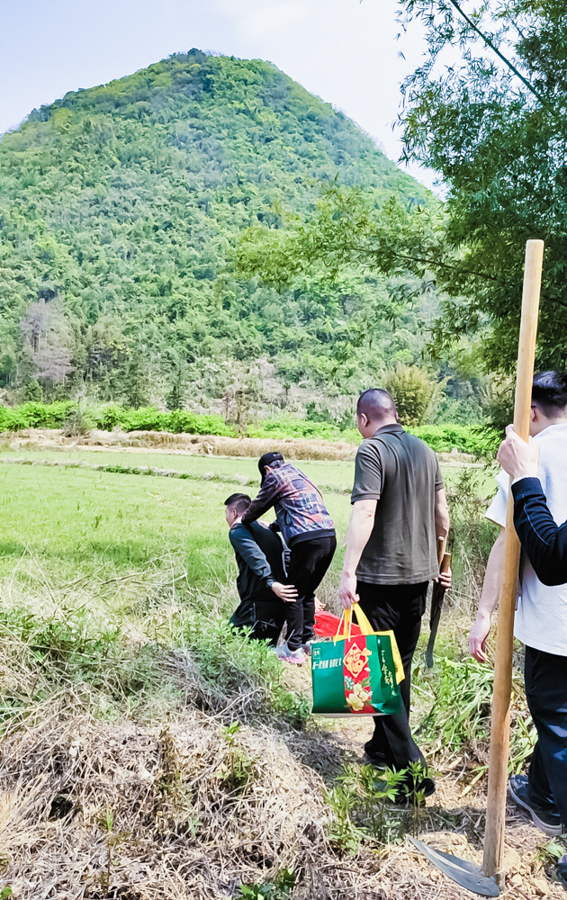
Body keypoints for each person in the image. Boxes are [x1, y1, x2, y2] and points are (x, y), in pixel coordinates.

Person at [469, 373, 567, 889]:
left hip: (556, 631)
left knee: (559, 729)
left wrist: (484, 614)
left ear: (531, 410)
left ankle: (556, 814)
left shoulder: (532, 458)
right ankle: (544, 800)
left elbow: (513, 544)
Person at [339, 388, 450, 800]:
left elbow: (364, 511)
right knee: (397, 668)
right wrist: (439, 565)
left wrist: (348, 572)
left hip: (379, 582)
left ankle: (412, 773)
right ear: (396, 413)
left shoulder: (371, 451)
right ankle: (382, 747)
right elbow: (443, 517)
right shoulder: (426, 452)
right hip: (419, 581)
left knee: (376, 679)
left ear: (364, 419)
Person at [242, 452, 336, 665]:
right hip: (328, 537)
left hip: (307, 542)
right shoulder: (298, 473)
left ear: (266, 470)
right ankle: (305, 640)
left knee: (291, 592)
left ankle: (292, 649)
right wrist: (274, 527)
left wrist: (244, 520)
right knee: (306, 592)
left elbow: (257, 506)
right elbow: (299, 510)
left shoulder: (275, 476)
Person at [225, 493, 296, 645]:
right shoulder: (268, 530)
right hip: (279, 602)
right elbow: (288, 557)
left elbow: (254, 556)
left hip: (258, 602)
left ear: (234, 513)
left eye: (226, 513)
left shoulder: (237, 530)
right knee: (266, 651)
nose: (226, 519)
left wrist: (271, 582)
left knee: (228, 642)